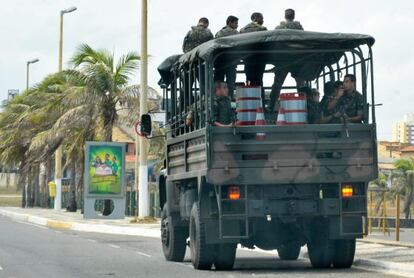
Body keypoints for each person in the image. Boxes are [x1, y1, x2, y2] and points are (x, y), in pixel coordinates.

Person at [269, 9, 305, 112]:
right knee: (301, 84)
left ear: (285, 16)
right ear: (294, 16)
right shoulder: (299, 28)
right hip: (297, 59)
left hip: (283, 60)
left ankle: (271, 106)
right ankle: (304, 106)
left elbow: (274, 41)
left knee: (277, 84)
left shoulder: (279, 28)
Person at [240, 13, 268, 104]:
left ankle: (250, 104)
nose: (263, 20)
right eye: (261, 18)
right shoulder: (262, 29)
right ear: (255, 18)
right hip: (260, 60)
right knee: (259, 82)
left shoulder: (242, 30)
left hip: (247, 60)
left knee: (249, 82)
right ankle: (261, 105)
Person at [215, 16, 239, 100]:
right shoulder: (236, 34)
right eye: (236, 23)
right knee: (230, 84)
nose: (237, 25)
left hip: (219, 62)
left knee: (218, 82)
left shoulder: (219, 33)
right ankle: (229, 100)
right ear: (230, 23)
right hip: (231, 62)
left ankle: (217, 100)